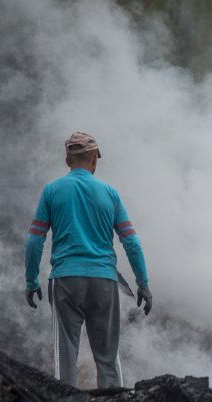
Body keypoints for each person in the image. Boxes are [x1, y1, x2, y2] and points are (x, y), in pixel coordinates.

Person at [24, 132, 151, 388]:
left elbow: (34, 241)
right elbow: (131, 242)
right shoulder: (110, 193)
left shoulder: (52, 191)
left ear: (67, 160)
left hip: (66, 280)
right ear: (94, 160)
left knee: (66, 355)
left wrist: (31, 280)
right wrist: (143, 283)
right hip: (104, 280)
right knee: (108, 357)